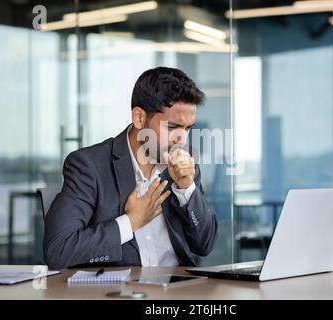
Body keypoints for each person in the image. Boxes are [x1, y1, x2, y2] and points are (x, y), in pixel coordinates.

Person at [43, 67, 218, 269]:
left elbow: (204, 246)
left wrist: (187, 190)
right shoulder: (89, 166)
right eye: (172, 127)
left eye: (188, 128)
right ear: (139, 118)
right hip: (120, 292)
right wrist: (131, 221)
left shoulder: (184, 167)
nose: (182, 139)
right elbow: (58, 252)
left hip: (179, 288)